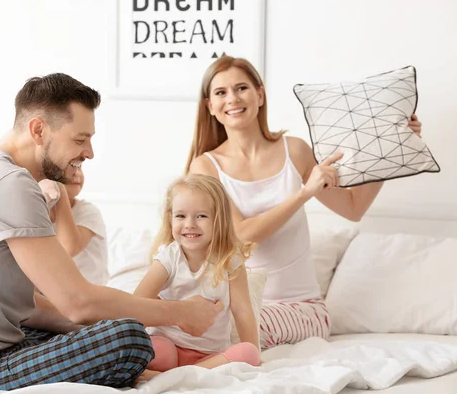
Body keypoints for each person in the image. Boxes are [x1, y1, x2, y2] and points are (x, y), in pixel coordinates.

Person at [0, 73, 222, 392]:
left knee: (106, 328)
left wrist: (93, 324)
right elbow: (77, 302)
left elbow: (26, 302)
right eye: (79, 139)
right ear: (39, 130)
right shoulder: (10, 184)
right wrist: (179, 313)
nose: (89, 153)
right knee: (128, 337)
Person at [186, 56, 422, 349]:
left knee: (228, 331)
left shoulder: (293, 150)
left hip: (302, 310)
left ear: (260, 94)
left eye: (241, 88)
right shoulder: (205, 167)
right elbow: (242, 235)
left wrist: (390, 148)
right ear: (210, 106)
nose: (232, 98)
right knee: (185, 328)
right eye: (221, 92)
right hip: (238, 306)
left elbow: (352, 208)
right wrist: (303, 194)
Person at [134, 174, 261, 378]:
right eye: (181, 216)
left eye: (201, 216)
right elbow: (137, 302)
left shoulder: (230, 261)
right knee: (156, 350)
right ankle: (186, 373)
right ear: (170, 218)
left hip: (211, 355)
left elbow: (243, 310)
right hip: (169, 347)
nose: (190, 224)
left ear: (218, 220)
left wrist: (254, 351)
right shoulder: (169, 257)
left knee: (248, 352)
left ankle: (177, 375)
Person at [39, 169, 109, 285]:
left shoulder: (88, 211)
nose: (77, 173)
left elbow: (68, 248)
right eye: (67, 168)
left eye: (79, 166)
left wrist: (60, 191)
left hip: (90, 290)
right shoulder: (38, 212)